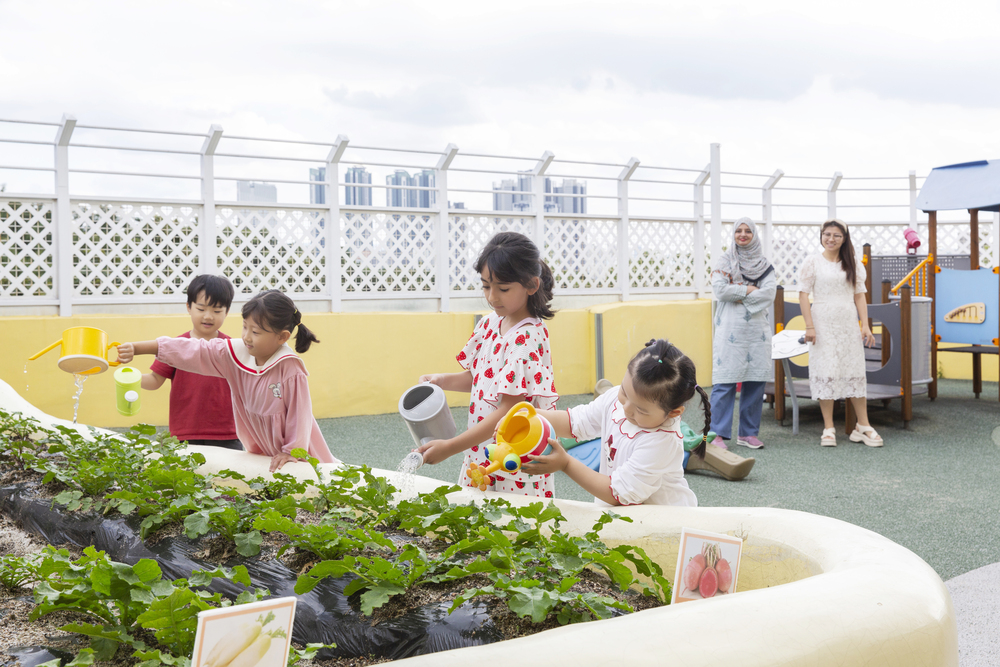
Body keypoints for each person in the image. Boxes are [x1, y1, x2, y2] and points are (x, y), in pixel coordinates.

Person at [116, 290, 340, 471]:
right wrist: (138, 348)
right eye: (245, 327)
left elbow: (299, 417)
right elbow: (195, 350)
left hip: (300, 456)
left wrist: (291, 452)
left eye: (256, 332)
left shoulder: (290, 368)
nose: (246, 336)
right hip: (262, 452)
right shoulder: (235, 354)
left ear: (281, 337)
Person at [417, 231, 558, 497]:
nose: (492, 297)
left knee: (515, 526)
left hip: (513, 454)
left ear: (532, 285)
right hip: (483, 449)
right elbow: (480, 378)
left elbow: (508, 408)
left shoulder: (526, 338)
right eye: (485, 286)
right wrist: (442, 380)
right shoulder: (490, 323)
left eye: (503, 288)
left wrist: (450, 446)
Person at [522, 339, 708, 506]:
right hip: (626, 519)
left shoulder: (662, 441)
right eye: (625, 393)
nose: (626, 408)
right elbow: (574, 422)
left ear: (673, 413)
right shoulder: (614, 399)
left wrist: (566, 464)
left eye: (640, 410)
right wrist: (530, 416)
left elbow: (616, 493)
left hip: (665, 525)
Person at [798, 219, 883, 447]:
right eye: (827, 234)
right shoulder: (812, 262)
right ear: (821, 236)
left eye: (836, 235)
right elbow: (804, 295)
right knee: (825, 370)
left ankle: (862, 426)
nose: (831, 239)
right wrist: (809, 326)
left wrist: (865, 324)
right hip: (822, 323)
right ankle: (828, 428)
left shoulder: (853, 262)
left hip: (847, 323)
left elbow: (859, 295)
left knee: (853, 370)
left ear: (844, 238)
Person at [141, 275, 242, 450]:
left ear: (227, 311)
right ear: (189, 307)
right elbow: (154, 380)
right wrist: (129, 378)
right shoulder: (175, 346)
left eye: (217, 311)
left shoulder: (233, 348)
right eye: (201, 309)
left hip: (227, 434)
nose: (208, 316)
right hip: (185, 433)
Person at [709, 217, 777, 450]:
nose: (743, 234)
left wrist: (735, 293)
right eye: (739, 230)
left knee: (755, 381)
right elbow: (719, 290)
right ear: (734, 234)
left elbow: (769, 294)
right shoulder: (725, 260)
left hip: (756, 331)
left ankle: (748, 433)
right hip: (730, 328)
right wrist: (748, 289)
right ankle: (717, 433)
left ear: (755, 235)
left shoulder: (763, 263)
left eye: (748, 231)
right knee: (725, 381)